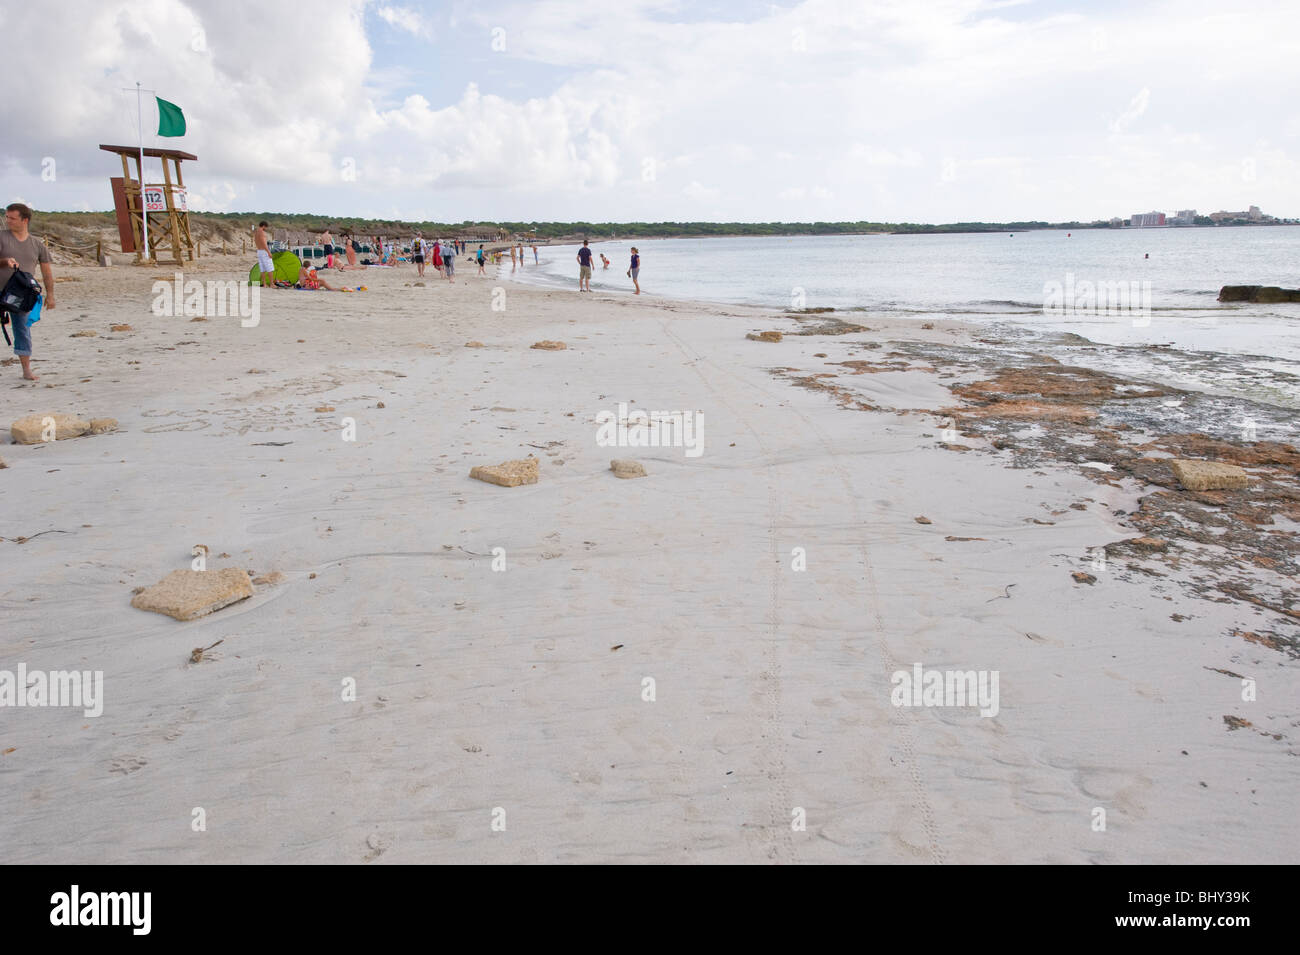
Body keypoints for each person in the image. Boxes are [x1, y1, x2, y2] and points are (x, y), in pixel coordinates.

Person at [0, 202, 56, 381]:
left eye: (12, 218)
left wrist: (51, 295)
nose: (7, 221)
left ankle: (26, 370)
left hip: (21, 294)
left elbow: (47, 272)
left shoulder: (37, 245)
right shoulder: (1, 237)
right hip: (0, 290)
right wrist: (4, 261)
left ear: (25, 220)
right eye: (6, 217)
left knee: (22, 329)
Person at [254, 221, 275, 288]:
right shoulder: (262, 233)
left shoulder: (256, 232)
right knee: (270, 268)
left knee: (262, 269)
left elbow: (257, 242)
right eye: (265, 227)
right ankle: (271, 284)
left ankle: (264, 284)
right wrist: (268, 252)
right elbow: (263, 243)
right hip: (264, 251)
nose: (266, 228)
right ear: (263, 226)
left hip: (259, 251)